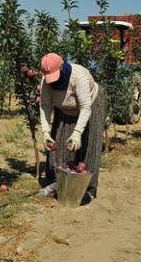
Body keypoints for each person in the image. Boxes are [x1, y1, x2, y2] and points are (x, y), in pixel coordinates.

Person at [38, 52, 106, 202]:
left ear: (62, 67)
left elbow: (85, 107)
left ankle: (88, 190)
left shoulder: (78, 76)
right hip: (64, 109)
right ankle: (57, 182)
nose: (53, 81)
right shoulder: (46, 81)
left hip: (90, 105)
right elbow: (45, 106)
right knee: (59, 144)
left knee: (89, 147)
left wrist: (77, 133)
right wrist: (45, 132)